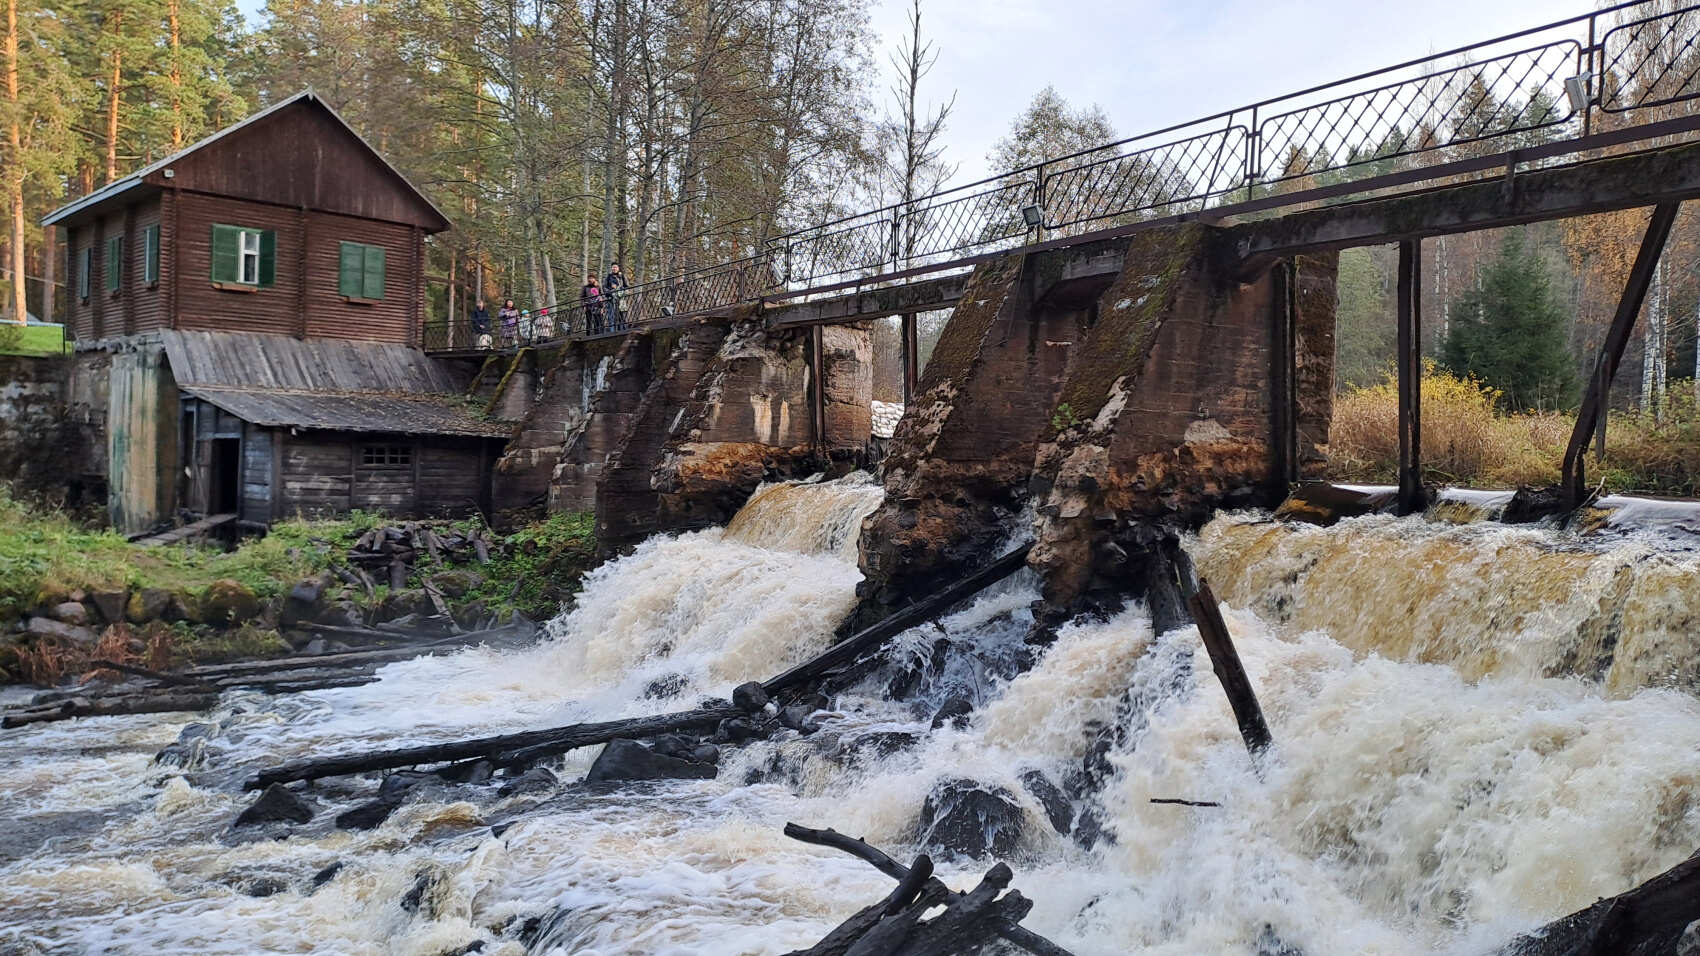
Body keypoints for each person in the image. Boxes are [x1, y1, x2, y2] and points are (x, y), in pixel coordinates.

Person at [604, 263, 628, 331]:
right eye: (613, 267)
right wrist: (611, 292)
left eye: (615, 267)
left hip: (621, 298)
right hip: (611, 298)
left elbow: (626, 286)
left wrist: (621, 290)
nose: (614, 268)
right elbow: (605, 287)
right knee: (612, 315)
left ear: (618, 268)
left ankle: (623, 330)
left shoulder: (622, 276)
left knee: (622, 314)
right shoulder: (609, 277)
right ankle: (613, 331)